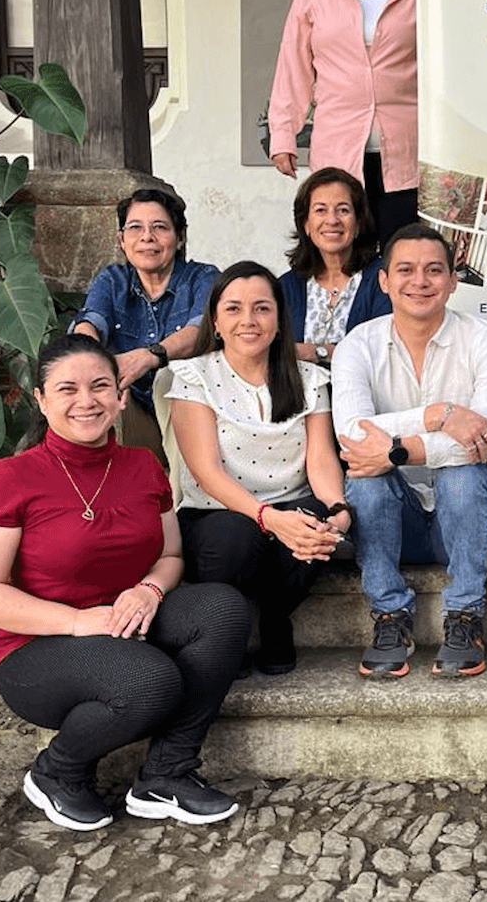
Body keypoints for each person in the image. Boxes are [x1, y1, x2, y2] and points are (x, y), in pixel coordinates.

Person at [0, 334, 248, 831]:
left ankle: (166, 774)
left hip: (124, 619)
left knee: (223, 608)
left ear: (119, 395)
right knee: (151, 679)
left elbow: (171, 554)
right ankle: (59, 772)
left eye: (99, 386)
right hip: (38, 647)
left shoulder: (142, 464)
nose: (86, 401)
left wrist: (149, 589)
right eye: (67, 389)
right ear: (42, 400)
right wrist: (74, 622)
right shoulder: (11, 477)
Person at [332, 224, 487, 678]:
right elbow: (353, 434)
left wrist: (395, 450)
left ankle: (465, 616)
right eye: (406, 270)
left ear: (453, 280)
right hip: (396, 523)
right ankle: (390, 615)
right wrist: (437, 415)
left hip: (467, 522)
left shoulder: (485, 339)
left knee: (466, 474)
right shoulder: (358, 345)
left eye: (434, 270)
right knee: (366, 481)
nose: (420, 282)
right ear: (384, 281)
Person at [167, 261, 352, 676]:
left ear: (278, 319)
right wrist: (269, 518)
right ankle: (227, 630)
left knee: (318, 523)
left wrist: (338, 509)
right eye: (233, 309)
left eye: (261, 309)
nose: (248, 321)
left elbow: (320, 459)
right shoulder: (194, 376)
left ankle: (274, 619)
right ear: (215, 321)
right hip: (217, 518)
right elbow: (206, 473)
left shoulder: (309, 379)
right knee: (240, 534)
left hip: (288, 508)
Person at [268, 0, 417, 249]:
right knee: (346, 259)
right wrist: (284, 133)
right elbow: (293, 66)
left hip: (410, 153)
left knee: (405, 257)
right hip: (339, 154)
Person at [73, 188, 218, 464]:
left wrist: (149, 356)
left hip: (195, 415)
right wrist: (92, 356)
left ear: (180, 238)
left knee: (171, 380)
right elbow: (91, 322)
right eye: (135, 228)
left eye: (159, 227)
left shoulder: (202, 277)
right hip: (135, 409)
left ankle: (181, 503)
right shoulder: (113, 280)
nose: (146, 237)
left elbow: (201, 331)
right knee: (104, 390)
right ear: (121, 240)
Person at [277, 167, 392, 366]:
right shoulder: (287, 286)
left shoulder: (382, 280)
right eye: (321, 210)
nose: (332, 220)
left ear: (358, 223)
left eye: (343, 210)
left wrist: (317, 352)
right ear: (306, 224)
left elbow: (383, 351)